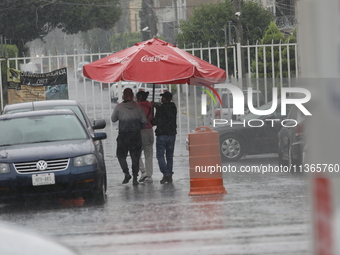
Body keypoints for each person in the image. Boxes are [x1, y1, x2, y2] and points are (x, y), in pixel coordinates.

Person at [111, 88, 147, 186]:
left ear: (123, 95)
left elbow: (113, 119)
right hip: (136, 135)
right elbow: (144, 121)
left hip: (123, 135)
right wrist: (138, 127)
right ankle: (135, 177)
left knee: (121, 155)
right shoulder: (138, 107)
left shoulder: (119, 107)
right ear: (132, 95)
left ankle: (126, 173)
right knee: (135, 157)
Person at [151, 91, 177, 184]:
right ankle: (169, 174)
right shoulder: (173, 107)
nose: (161, 99)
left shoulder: (161, 109)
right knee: (169, 156)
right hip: (171, 135)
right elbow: (165, 107)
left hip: (162, 135)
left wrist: (151, 118)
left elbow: (155, 121)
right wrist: (156, 105)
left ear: (164, 99)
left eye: (162, 98)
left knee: (160, 156)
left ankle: (166, 173)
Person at [136, 91, 154, 183]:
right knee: (149, 153)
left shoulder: (137, 106)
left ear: (139, 98)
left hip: (141, 131)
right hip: (150, 130)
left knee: (136, 153)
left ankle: (143, 171)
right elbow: (151, 118)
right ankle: (149, 175)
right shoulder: (150, 105)